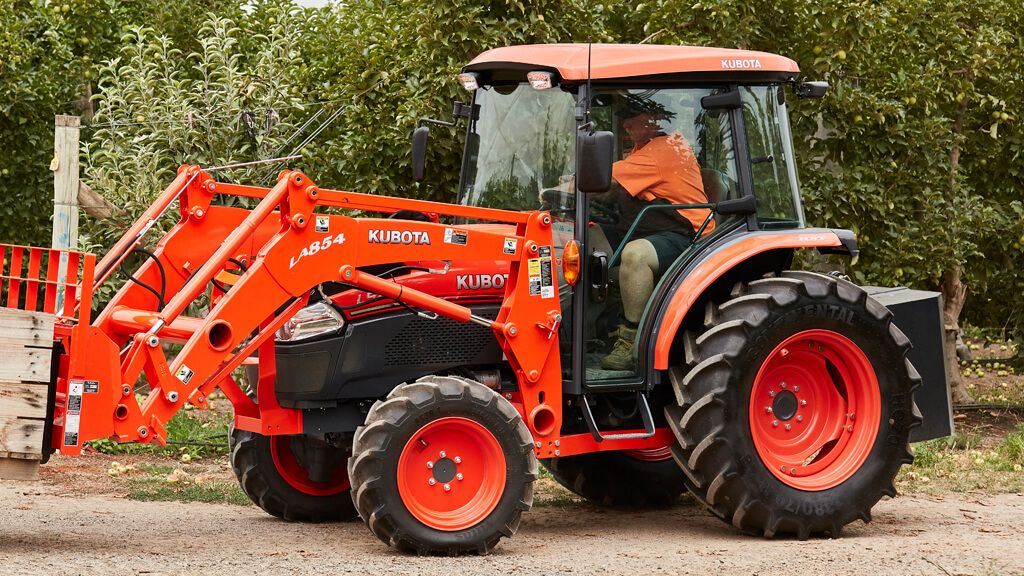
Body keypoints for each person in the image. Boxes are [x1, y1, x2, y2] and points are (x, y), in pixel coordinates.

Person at [596, 97, 714, 371]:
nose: (626, 123)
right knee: (590, 237)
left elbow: (603, 180)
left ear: (652, 120)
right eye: (624, 117)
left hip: (689, 236)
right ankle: (594, 326)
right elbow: (613, 190)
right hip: (656, 227)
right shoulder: (641, 151)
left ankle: (632, 339)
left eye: (632, 116)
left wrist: (567, 187)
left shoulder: (663, 150)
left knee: (635, 255)